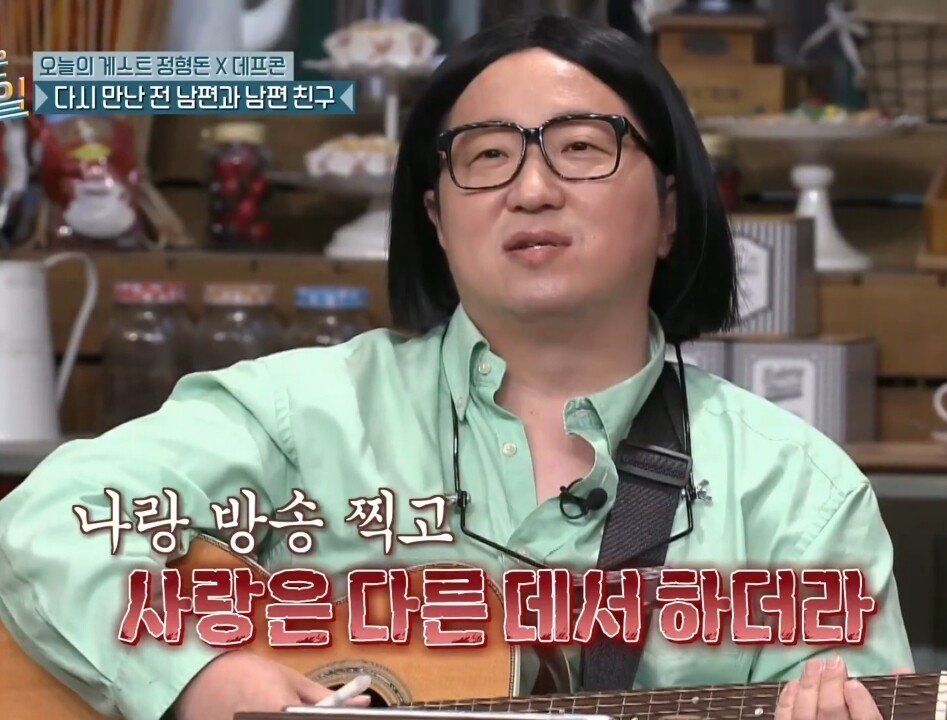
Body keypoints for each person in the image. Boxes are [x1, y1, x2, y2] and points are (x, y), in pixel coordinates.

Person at [0, 13, 912, 720]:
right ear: (435, 218)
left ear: (671, 211)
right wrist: (195, 677)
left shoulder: (795, 494)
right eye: (486, 156)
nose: (531, 188)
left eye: (582, 147)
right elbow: (47, 523)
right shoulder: (300, 416)